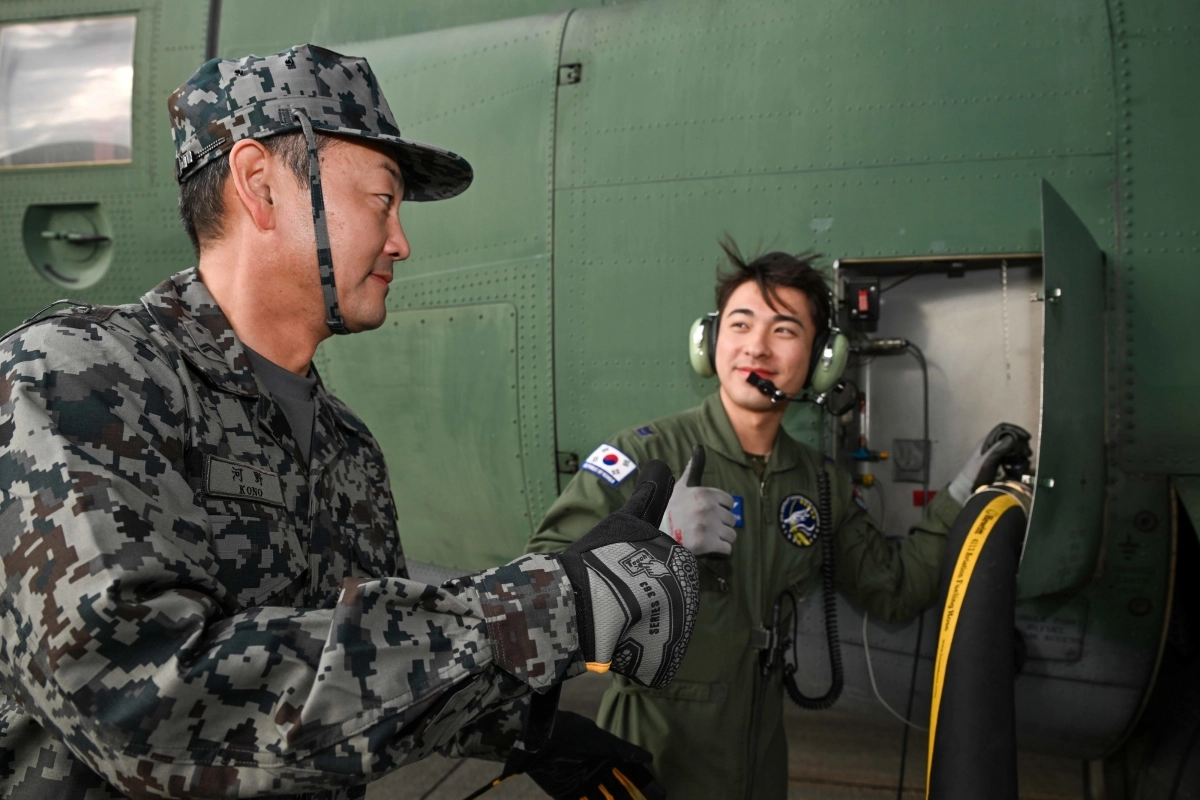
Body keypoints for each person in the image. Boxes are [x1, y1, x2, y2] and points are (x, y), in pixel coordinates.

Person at [0, 45, 699, 800]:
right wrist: (559, 605)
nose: (402, 240)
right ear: (259, 184)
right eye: (381, 199)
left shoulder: (346, 446)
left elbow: (353, 672)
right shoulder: (76, 376)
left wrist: (523, 726)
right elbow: (139, 703)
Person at [527, 243, 1024, 799]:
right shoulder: (644, 456)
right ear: (711, 342)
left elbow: (894, 590)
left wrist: (963, 490)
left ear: (820, 360)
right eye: (740, 324)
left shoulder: (818, 481)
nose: (756, 347)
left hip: (760, 765)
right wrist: (652, 543)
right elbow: (539, 584)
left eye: (785, 330)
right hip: (649, 762)